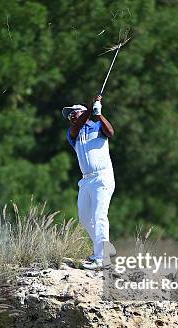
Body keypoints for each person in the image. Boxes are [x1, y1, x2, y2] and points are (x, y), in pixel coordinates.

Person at [62, 95, 117, 270]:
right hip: (86, 181)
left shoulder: (98, 127)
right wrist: (89, 110)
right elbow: (77, 126)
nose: (71, 117)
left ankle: (102, 258)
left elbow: (111, 132)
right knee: (85, 218)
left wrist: (98, 113)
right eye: (69, 115)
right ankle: (105, 248)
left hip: (102, 177)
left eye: (73, 113)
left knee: (99, 216)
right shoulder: (73, 133)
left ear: (82, 112)